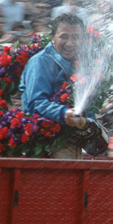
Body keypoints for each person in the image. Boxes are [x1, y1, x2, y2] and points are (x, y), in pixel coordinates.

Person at [19, 13, 90, 159]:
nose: (70, 43)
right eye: (64, 36)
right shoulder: (40, 61)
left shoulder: (80, 63)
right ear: (52, 37)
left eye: (75, 37)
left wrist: (93, 123)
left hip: (71, 140)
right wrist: (64, 113)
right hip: (46, 143)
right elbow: (36, 102)